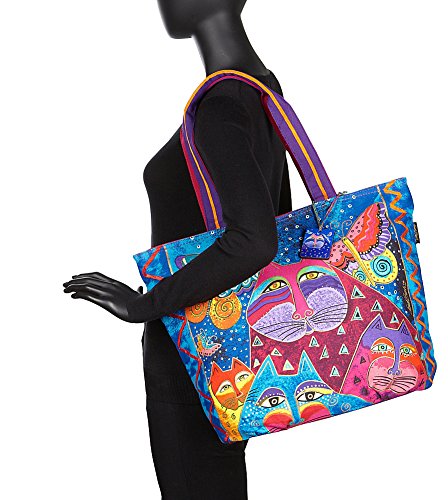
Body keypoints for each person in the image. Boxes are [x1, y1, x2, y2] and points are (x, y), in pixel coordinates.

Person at [63, 0, 292, 498]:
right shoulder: (260, 88)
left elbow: (256, 238)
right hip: (231, 350)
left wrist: (146, 304)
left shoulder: (221, 107)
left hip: (193, 356)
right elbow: (276, 220)